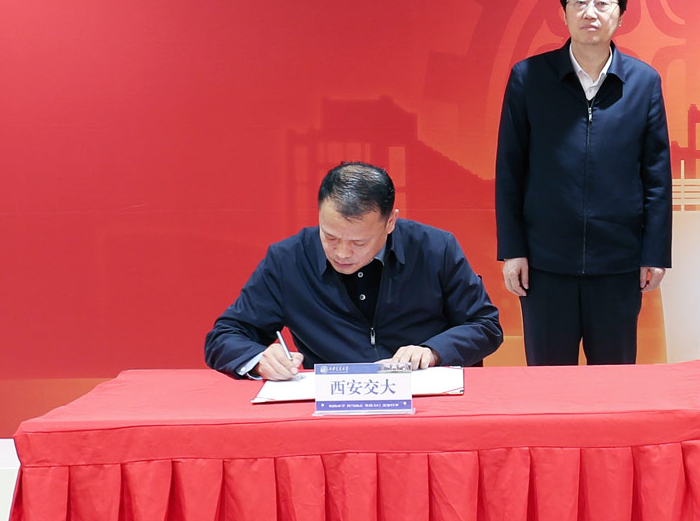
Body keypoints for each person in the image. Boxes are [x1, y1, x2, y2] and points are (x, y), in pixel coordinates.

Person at [494, 0, 671, 365]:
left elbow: (657, 176)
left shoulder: (643, 81)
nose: (590, 12)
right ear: (564, 13)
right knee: (548, 378)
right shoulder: (529, 77)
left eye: (602, 3)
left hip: (618, 263)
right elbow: (510, 171)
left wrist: (655, 253)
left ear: (620, 16)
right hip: (544, 264)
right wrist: (513, 250)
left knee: (614, 379)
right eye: (580, 2)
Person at [206, 161, 502, 379]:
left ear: (390, 222)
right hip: (330, 403)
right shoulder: (288, 259)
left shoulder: (435, 248)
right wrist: (259, 358)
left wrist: (433, 351)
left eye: (359, 242)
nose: (342, 253)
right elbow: (225, 335)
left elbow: (485, 325)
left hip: (424, 395)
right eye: (330, 237)